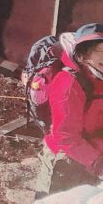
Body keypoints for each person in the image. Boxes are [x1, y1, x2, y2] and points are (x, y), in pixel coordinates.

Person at [37, 23, 103, 197]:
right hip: (67, 157)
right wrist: (97, 162)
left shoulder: (99, 77)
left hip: (95, 149)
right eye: (100, 50)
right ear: (82, 55)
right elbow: (66, 136)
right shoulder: (68, 84)